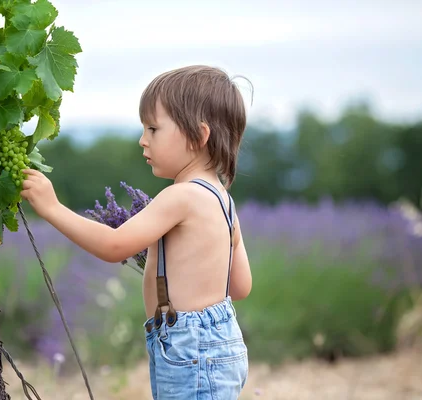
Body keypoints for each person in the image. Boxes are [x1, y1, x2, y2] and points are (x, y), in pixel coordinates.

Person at [20, 65, 253, 399]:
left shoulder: (180, 196)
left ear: (199, 136)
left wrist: (52, 208)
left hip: (191, 350)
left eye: (153, 128)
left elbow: (115, 246)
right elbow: (240, 286)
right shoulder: (224, 201)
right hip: (220, 344)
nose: (142, 140)